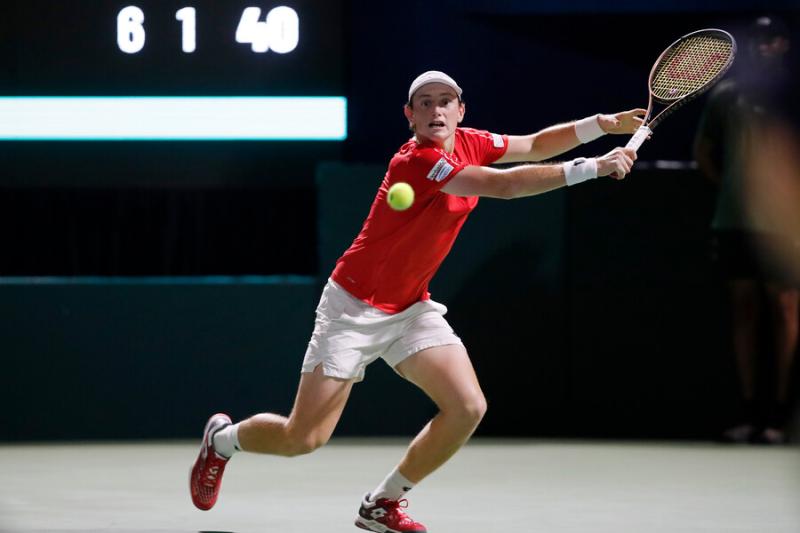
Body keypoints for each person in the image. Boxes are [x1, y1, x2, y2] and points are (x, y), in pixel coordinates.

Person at [190, 70, 643, 532]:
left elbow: (534, 144)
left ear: (461, 110)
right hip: (353, 308)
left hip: (410, 308)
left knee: (467, 407)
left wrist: (602, 123)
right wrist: (593, 167)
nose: (436, 110)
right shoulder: (414, 162)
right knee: (302, 438)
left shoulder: (472, 141)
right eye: (424, 103)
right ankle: (223, 440)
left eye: (445, 101)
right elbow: (504, 186)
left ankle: (381, 503)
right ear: (410, 116)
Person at [694, 15, 798, 444]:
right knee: (745, 311)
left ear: (785, 46)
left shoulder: (792, 97)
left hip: (786, 226)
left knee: (786, 310)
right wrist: (741, 193)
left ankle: (780, 414)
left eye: (773, 40)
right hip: (734, 221)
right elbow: (704, 152)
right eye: (759, 40)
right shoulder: (727, 96)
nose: (764, 47)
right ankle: (751, 412)